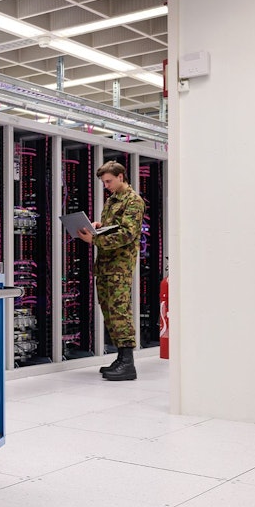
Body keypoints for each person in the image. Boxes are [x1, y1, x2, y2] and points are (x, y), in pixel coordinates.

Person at [76, 161, 145, 381]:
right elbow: (113, 227)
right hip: (105, 265)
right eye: (104, 182)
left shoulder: (133, 201)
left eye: (109, 181)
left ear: (121, 176)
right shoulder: (112, 200)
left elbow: (127, 234)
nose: (106, 185)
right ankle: (120, 357)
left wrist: (95, 240)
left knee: (119, 311)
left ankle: (128, 363)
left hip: (119, 266)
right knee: (108, 311)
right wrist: (97, 226)